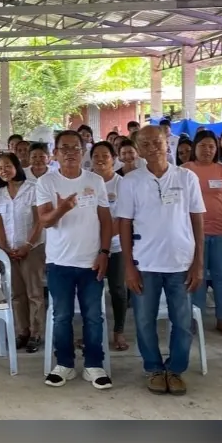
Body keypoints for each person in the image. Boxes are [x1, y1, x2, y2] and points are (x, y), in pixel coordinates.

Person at [116, 125, 205, 396]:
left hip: (181, 262)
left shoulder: (187, 177)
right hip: (145, 263)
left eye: (157, 142)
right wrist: (129, 266)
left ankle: (175, 370)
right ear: (138, 149)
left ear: (168, 144)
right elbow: (124, 224)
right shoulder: (131, 181)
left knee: (182, 320)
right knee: (144, 320)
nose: (152, 148)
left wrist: (198, 262)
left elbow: (197, 220)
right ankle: (154, 368)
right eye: (145, 144)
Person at [36, 130, 112, 389]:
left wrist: (104, 253)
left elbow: (105, 220)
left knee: (94, 317)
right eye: (64, 148)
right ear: (55, 153)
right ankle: (65, 364)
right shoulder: (46, 182)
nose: (70, 152)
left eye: (75, 148)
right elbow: (44, 221)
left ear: (83, 151)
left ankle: (93, 365)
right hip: (59, 262)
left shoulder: (95, 181)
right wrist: (62, 208)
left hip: (91, 261)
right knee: (61, 316)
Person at [183, 130, 222, 338]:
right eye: (202, 146)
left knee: (221, 277)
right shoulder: (185, 170)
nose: (207, 150)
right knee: (196, 276)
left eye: (211, 146)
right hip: (193, 233)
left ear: (216, 149)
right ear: (194, 149)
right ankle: (194, 318)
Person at [0, 152, 45, 353]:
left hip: (32, 249)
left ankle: (36, 333)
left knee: (34, 292)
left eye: (7, 166)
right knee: (16, 293)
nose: (3, 171)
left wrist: (27, 245)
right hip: (10, 250)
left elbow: (39, 220)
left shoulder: (32, 189)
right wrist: (4, 247)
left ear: (16, 167)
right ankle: (22, 331)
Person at [91, 141, 128, 351]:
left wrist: (104, 239)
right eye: (96, 155)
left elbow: (122, 218)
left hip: (115, 245)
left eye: (105, 155)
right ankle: (94, 333)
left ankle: (119, 331)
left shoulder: (121, 183)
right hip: (90, 245)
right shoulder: (87, 181)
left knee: (117, 289)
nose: (100, 159)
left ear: (113, 158)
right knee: (92, 290)